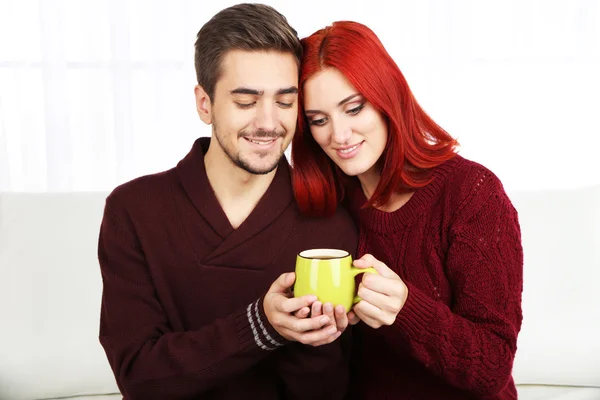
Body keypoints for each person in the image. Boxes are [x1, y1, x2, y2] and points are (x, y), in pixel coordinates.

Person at [97, 5, 357, 400]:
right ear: (205, 103)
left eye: (285, 101)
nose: (269, 123)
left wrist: (315, 341)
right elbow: (138, 377)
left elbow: (336, 389)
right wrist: (261, 326)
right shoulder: (134, 210)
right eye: (246, 101)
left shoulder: (330, 223)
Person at [291, 21, 523, 400]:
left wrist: (406, 309)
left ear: (386, 97)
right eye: (319, 120)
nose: (339, 135)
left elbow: (492, 366)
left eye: (353, 108)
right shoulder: (326, 205)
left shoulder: (470, 194)